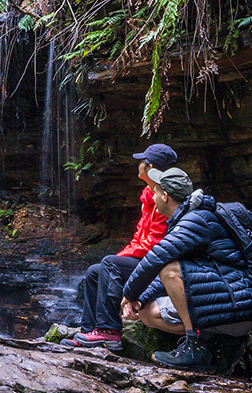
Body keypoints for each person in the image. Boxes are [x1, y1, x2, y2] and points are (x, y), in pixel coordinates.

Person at [120, 167, 252, 372]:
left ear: (165, 196)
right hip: (227, 305)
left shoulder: (195, 221)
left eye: (156, 192)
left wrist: (129, 294)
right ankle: (215, 343)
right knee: (147, 313)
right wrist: (140, 298)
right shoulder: (186, 220)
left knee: (169, 269)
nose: (153, 196)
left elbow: (157, 259)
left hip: (237, 307)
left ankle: (195, 347)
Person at [63, 143, 177, 351]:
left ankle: (109, 331)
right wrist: (122, 255)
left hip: (159, 265)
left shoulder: (165, 197)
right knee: (95, 272)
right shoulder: (148, 195)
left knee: (109, 264)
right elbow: (140, 235)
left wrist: (119, 259)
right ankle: (89, 330)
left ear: (150, 168)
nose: (138, 165)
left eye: (142, 161)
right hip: (146, 259)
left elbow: (155, 243)